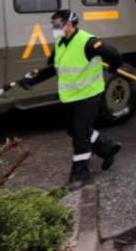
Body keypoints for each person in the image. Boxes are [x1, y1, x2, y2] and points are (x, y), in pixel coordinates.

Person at [17, 10, 123, 191]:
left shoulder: (88, 42)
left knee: (80, 135)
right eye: (53, 25)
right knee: (73, 129)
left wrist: (112, 69)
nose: (54, 28)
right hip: (70, 96)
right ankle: (107, 147)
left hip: (89, 94)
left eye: (58, 24)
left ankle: (80, 174)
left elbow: (114, 54)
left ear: (70, 24)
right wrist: (31, 80)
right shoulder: (60, 43)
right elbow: (53, 67)